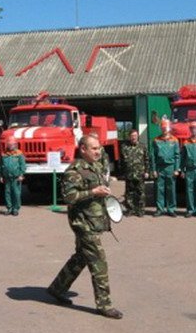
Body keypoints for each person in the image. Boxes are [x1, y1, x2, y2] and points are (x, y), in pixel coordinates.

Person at [47, 135, 123, 319]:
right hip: (83, 223)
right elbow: (69, 197)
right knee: (98, 261)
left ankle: (57, 288)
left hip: (94, 220)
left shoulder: (96, 166)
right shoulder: (74, 171)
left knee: (81, 257)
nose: (98, 152)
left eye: (99, 148)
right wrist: (93, 192)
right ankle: (104, 304)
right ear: (83, 149)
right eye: (94, 148)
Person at [150, 119, 180, 217]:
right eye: (163, 128)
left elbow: (177, 156)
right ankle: (160, 209)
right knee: (160, 189)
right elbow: (153, 156)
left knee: (171, 189)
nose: (164, 130)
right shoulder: (156, 140)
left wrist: (176, 169)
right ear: (161, 128)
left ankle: (171, 209)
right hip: (160, 168)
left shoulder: (174, 140)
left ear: (169, 128)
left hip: (170, 167)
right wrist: (154, 169)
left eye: (166, 128)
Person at [121, 129, 149, 217]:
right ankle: (130, 210)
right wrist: (122, 173)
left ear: (137, 136)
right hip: (129, 174)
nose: (133, 137)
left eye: (135, 135)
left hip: (140, 174)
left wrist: (147, 171)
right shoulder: (124, 147)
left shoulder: (142, 146)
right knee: (129, 193)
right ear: (129, 137)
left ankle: (140, 210)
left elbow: (147, 159)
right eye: (132, 136)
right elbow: (122, 161)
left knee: (140, 193)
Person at [0, 137, 26, 216]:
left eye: (12, 144)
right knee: (7, 193)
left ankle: (15, 209)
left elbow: (22, 165)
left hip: (16, 177)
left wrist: (21, 175)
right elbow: (1, 166)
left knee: (16, 193)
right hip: (7, 177)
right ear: (7, 145)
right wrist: (1, 176)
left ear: (15, 145)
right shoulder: (4, 154)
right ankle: (9, 208)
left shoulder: (19, 154)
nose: (11, 146)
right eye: (9, 144)